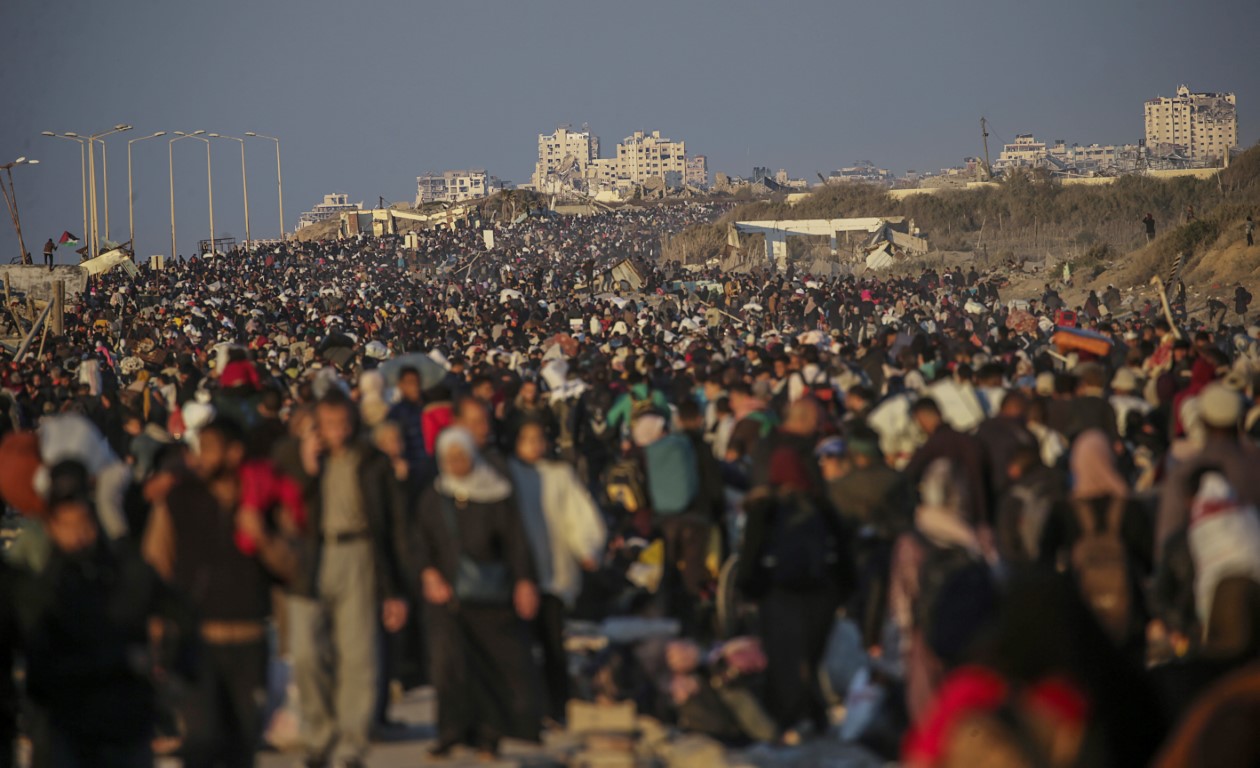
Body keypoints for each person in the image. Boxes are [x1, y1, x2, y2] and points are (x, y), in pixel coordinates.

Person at [12, 460, 197, 768]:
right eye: (66, 526)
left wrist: (175, 672)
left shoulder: (125, 572)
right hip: (62, 725)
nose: (77, 536)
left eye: (83, 524)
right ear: (51, 526)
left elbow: (181, 612)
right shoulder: (37, 584)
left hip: (123, 723)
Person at [142, 416, 300, 768]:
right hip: (196, 639)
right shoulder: (179, 500)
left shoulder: (264, 498)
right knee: (201, 742)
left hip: (249, 637)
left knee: (242, 745)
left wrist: (263, 539)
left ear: (234, 452)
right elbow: (156, 562)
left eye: (210, 449)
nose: (200, 458)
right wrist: (156, 624)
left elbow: (294, 566)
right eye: (199, 450)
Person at [287, 394, 411, 768]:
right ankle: (319, 734)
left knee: (359, 652)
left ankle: (351, 743)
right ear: (316, 425)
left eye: (344, 423)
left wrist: (396, 591)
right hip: (312, 556)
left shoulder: (371, 462)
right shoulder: (301, 458)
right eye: (329, 424)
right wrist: (305, 463)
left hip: (360, 552)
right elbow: (285, 497)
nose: (338, 432)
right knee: (307, 650)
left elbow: (394, 526)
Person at [416, 427, 540, 758]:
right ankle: (451, 732)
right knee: (449, 668)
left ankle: (489, 735)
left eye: (461, 455)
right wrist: (428, 573)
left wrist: (524, 581)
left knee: (491, 667)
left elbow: (516, 542)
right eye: (450, 457)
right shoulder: (435, 496)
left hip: (491, 598)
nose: (456, 463)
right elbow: (420, 541)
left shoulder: (496, 493)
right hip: (447, 598)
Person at [508, 418, 606, 724]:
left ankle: (556, 706)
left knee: (552, 644)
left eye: (539, 438)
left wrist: (586, 548)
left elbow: (578, 514)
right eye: (528, 439)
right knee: (520, 647)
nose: (536, 445)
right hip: (518, 573)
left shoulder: (560, 475)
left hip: (553, 571)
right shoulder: (507, 474)